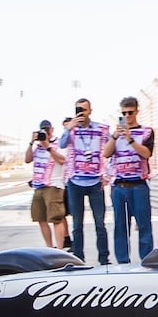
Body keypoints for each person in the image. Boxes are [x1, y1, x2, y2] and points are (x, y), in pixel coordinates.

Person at [59, 99, 110, 263]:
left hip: (95, 181)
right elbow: (61, 144)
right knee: (77, 224)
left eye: (84, 109)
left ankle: (104, 258)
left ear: (90, 111)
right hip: (75, 182)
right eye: (78, 109)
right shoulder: (71, 129)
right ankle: (78, 258)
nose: (81, 112)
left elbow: (112, 148)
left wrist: (107, 174)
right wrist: (69, 128)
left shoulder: (100, 129)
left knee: (100, 223)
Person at [108, 96, 156, 264]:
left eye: (130, 112)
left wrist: (130, 139)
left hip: (139, 184)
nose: (127, 116)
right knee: (120, 226)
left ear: (136, 111)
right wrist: (115, 136)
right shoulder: (115, 134)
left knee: (144, 225)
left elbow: (146, 153)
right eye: (124, 113)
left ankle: (147, 259)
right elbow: (106, 153)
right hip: (119, 185)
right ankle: (122, 260)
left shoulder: (146, 131)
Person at [24, 120, 68, 247]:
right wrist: (31, 142)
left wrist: (48, 146)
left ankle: (59, 248)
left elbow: (62, 160)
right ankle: (49, 247)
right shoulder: (37, 145)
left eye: (47, 129)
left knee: (56, 218)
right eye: (43, 130)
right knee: (40, 219)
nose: (45, 132)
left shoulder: (59, 143)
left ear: (52, 130)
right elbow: (27, 159)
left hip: (53, 185)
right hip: (38, 185)